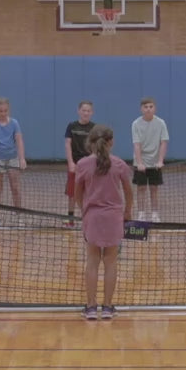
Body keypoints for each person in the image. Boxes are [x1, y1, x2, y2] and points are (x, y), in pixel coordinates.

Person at [74, 125, 133, 320]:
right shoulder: (119, 164)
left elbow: (77, 193)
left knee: (92, 262)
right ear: (111, 142)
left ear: (90, 143)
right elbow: (129, 191)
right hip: (114, 218)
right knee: (110, 262)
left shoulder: (82, 164)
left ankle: (91, 308)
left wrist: (84, 211)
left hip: (93, 217)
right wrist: (127, 212)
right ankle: (107, 308)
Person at [130, 97, 169, 221]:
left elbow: (163, 142)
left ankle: (155, 214)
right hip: (140, 162)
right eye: (146, 107)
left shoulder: (161, 123)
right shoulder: (136, 124)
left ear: (154, 108)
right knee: (141, 189)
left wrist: (160, 160)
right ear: (141, 109)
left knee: (154, 189)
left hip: (155, 163)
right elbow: (137, 145)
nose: (148, 109)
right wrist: (140, 163)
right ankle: (141, 214)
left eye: (151, 107)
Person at [63, 101, 96, 220]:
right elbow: (67, 144)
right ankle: (70, 218)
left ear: (91, 112)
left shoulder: (94, 128)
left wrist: (92, 163)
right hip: (75, 165)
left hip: (89, 166)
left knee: (88, 193)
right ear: (79, 111)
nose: (86, 113)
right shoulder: (72, 126)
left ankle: (87, 217)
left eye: (88, 111)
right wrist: (71, 163)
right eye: (84, 110)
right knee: (72, 193)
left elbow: (96, 147)